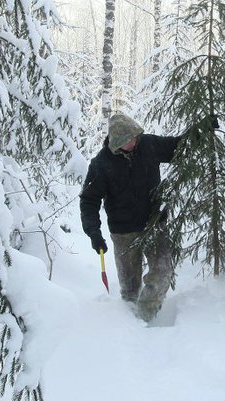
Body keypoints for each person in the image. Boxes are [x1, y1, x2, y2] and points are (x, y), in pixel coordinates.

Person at [79, 113, 181, 322]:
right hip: (124, 231)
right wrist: (93, 233)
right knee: (129, 289)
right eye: (128, 139)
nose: (134, 141)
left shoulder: (148, 145)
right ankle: (129, 330)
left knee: (163, 273)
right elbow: (89, 200)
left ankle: (145, 317)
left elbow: (177, 146)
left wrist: (201, 131)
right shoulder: (100, 164)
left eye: (135, 136)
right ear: (116, 142)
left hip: (155, 223)